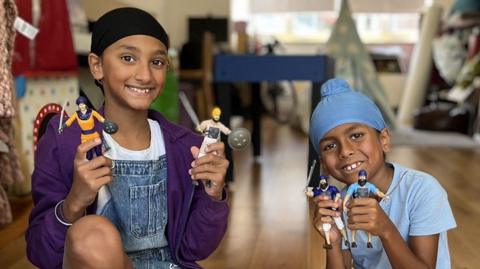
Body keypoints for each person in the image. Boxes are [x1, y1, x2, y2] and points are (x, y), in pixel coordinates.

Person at [26, 7, 229, 269]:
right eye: (128, 58)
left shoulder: (187, 146)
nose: (144, 75)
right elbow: (40, 252)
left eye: (156, 62)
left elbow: (194, 248)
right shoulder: (61, 142)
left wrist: (212, 195)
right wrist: (74, 202)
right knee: (90, 234)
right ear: (97, 66)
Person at [309, 78, 456, 269]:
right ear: (324, 164)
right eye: (330, 146)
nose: (345, 151)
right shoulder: (341, 204)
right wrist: (334, 241)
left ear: (384, 139)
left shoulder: (423, 190)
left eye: (356, 136)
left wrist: (386, 230)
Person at [343, 169, 387, 248]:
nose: (362, 178)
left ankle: (369, 241)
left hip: (366, 207)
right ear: (358, 177)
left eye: (363, 177)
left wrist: (384, 196)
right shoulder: (354, 186)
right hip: (356, 207)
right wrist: (344, 204)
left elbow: (377, 192)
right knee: (354, 224)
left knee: (368, 225)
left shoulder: (370, 186)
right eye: (360, 177)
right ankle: (353, 240)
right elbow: (348, 195)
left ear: (366, 177)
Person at [305, 175, 348, 249]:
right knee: (326, 227)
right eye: (321, 182)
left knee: (340, 224)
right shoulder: (318, 191)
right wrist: (307, 192)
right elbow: (312, 194)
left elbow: (337, 194)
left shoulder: (332, 188)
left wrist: (336, 199)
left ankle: (346, 239)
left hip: (333, 208)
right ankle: (328, 243)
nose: (323, 183)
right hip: (325, 212)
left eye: (323, 181)